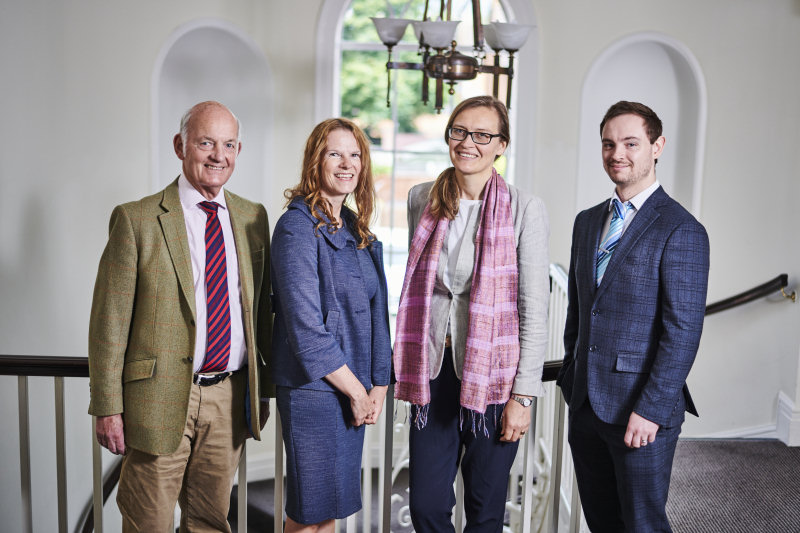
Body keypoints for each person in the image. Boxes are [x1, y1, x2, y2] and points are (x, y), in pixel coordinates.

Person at [88, 101, 272, 532]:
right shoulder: (136, 219)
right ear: (180, 145)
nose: (217, 155)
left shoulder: (252, 217)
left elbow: (261, 310)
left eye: (228, 145)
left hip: (229, 396)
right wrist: (107, 407)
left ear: (239, 150)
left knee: (211, 520)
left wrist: (261, 389)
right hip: (158, 396)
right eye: (206, 142)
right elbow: (109, 321)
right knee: (147, 521)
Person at [394, 95, 550, 532]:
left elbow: (533, 311)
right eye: (459, 131)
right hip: (434, 371)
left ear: (501, 145)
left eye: (482, 135)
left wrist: (523, 397)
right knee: (426, 507)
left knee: (484, 514)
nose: (468, 143)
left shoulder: (524, 209)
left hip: (494, 380)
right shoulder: (421, 199)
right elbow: (421, 288)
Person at [556, 101, 710, 532]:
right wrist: (573, 377)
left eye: (630, 143)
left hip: (641, 413)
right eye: (608, 144)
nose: (616, 154)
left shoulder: (681, 229)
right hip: (586, 404)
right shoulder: (588, 222)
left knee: (642, 524)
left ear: (657, 146)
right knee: (602, 522)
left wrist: (653, 409)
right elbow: (580, 309)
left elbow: (682, 331)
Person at [270, 118, 392, 533]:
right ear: (315, 160)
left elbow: (378, 312)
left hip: (353, 388)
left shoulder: (359, 229)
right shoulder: (296, 227)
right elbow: (305, 328)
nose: (347, 164)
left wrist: (378, 384)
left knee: (332, 511)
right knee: (309, 512)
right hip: (314, 391)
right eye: (335, 153)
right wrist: (358, 391)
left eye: (355, 154)